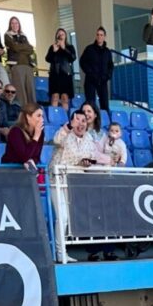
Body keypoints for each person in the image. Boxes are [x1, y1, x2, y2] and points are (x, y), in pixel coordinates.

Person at [50, 109, 98, 262]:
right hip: (57, 181)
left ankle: (63, 251)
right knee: (62, 217)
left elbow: (90, 157)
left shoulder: (89, 138)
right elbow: (56, 140)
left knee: (68, 218)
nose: (81, 123)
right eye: (77, 120)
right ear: (71, 122)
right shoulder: (64, 133)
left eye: (83, 121)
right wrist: (67, 128)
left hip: (74, 182)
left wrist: (86, 163)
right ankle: (60, 253)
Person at [79, 27, 113, 113]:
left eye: (101, 35)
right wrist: (89, 72)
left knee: (105, 105)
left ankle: (105, 123)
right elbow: (82, 62)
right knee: (90, 105)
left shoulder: (107, 52)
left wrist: (107, 76)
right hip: (90, 80)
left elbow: (110, 66)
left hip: (103, 81)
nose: (99, 37)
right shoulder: (89, 49)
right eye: (97, 35)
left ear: (104, 36)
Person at [5, 17, 36, 105]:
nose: (15, 25)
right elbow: (14, 47)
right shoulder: (7, 35)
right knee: (20, 92)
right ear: (10, 25)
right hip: (16, 65)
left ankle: (33, 111)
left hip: (28, 65)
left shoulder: (24, 35)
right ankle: (23, 114)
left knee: (31, 92)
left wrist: (20, 47)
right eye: (13, 23)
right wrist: (24, 47)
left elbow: (31, 49)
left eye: (17, 23)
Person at [2, 102, 44, 168]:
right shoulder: (16, 131)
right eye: (38, 116)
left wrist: (32, 161)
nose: (42, 119)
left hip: (26, 171)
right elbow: (24, 157)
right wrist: (35, 137)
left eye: (42, 116)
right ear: (28, 117)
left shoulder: (40, 133)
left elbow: (37, 157)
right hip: (10, 170)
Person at [46, 28, 76, 111]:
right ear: (56, 36)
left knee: (65, 97)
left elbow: (73, 58)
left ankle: (64, 117)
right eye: (59, 34)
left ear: (65, 36)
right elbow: (48, 59)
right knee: (54, 96)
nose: (60, 36)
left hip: (65, 74)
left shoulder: (70, 47)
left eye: (62, 34)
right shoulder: (52, 47)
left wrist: (64, 48)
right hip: (54, 74)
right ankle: (54, 116)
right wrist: (54, 51)